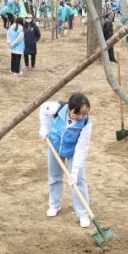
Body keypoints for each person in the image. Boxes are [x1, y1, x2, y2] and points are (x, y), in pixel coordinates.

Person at [39, 93, 93, 228]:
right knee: (54, 177)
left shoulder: (86, 123)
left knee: (79, 180)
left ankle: (83, 213)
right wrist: (44, 128)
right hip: (55, 146)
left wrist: (74, 171)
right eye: (78, 113)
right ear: (70, 108)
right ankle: (54, 205)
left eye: (84, 113)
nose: (81, 117)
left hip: (73, 150)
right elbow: (43, 108)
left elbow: (82, 148)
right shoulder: (57, 108)